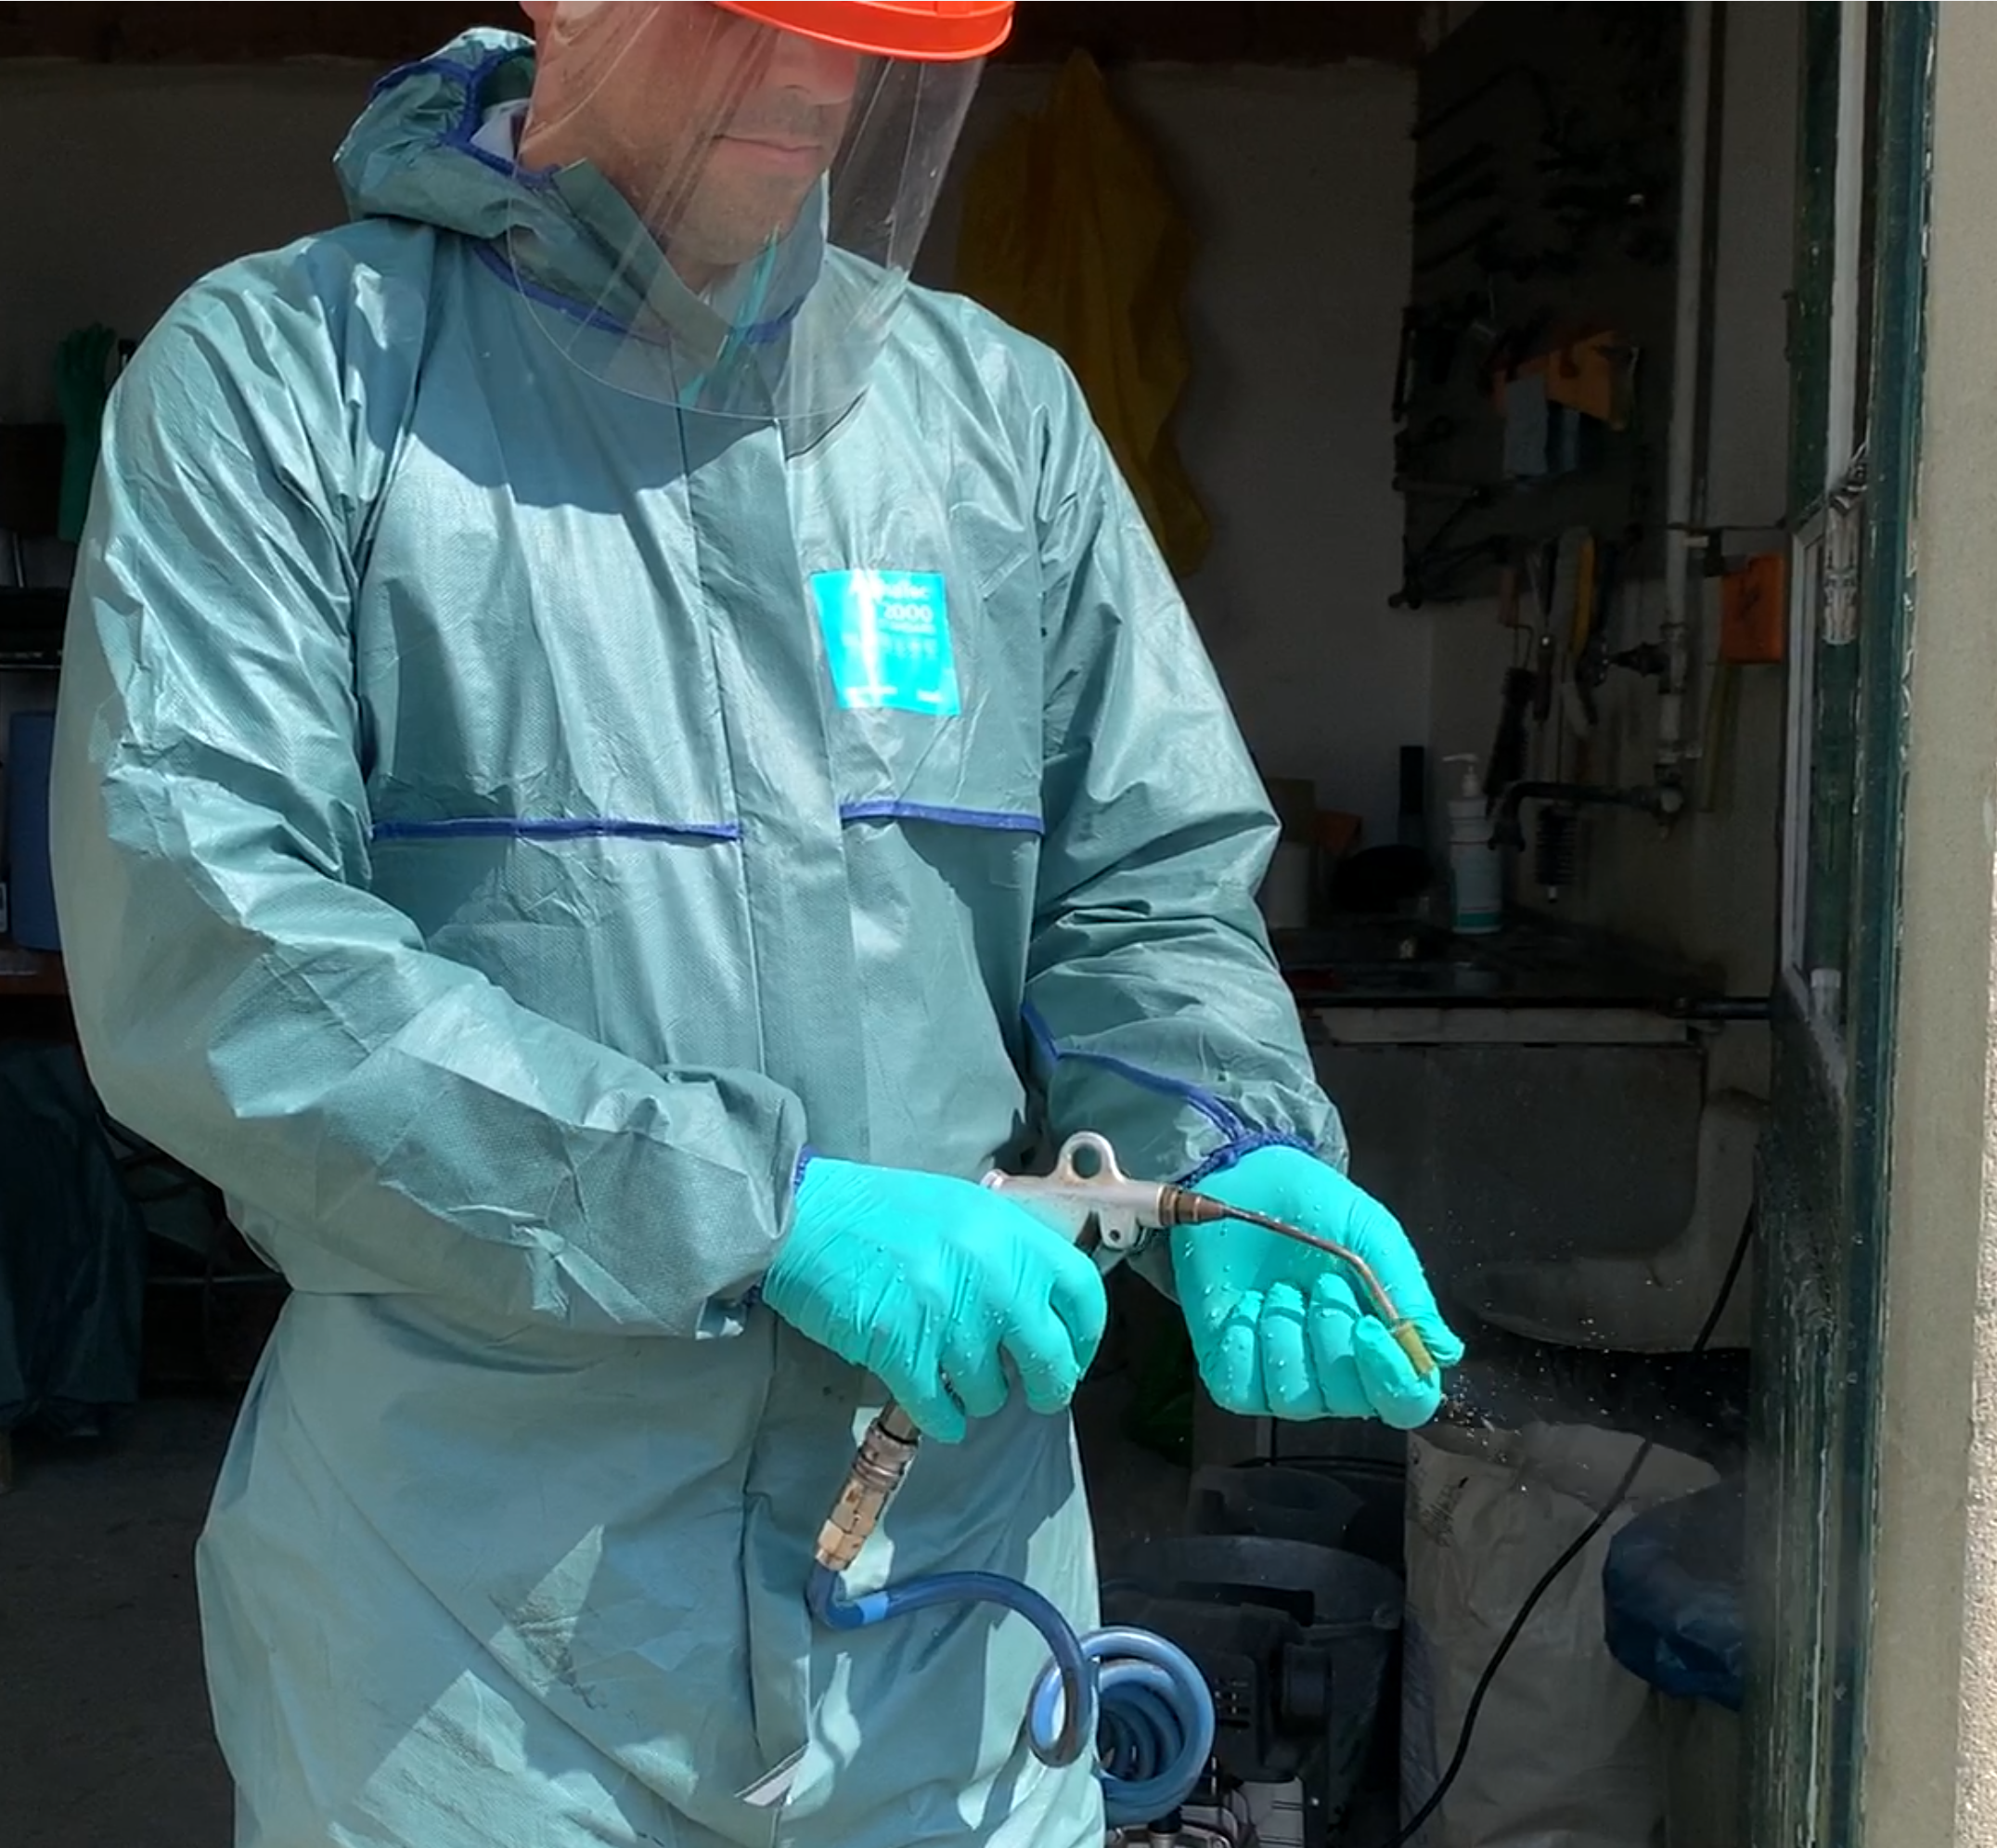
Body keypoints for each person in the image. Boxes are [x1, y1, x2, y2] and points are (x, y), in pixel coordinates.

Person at [49, 6, 1462, 1845]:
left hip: (955, 1625)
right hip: (478, 1638)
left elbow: (1144, 876)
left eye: (865, 34)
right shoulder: (293, 380)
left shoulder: (992, 416)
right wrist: (752, 1208)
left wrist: (1223, 1136)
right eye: (742, 19)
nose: (810, 82)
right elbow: (218, 945)